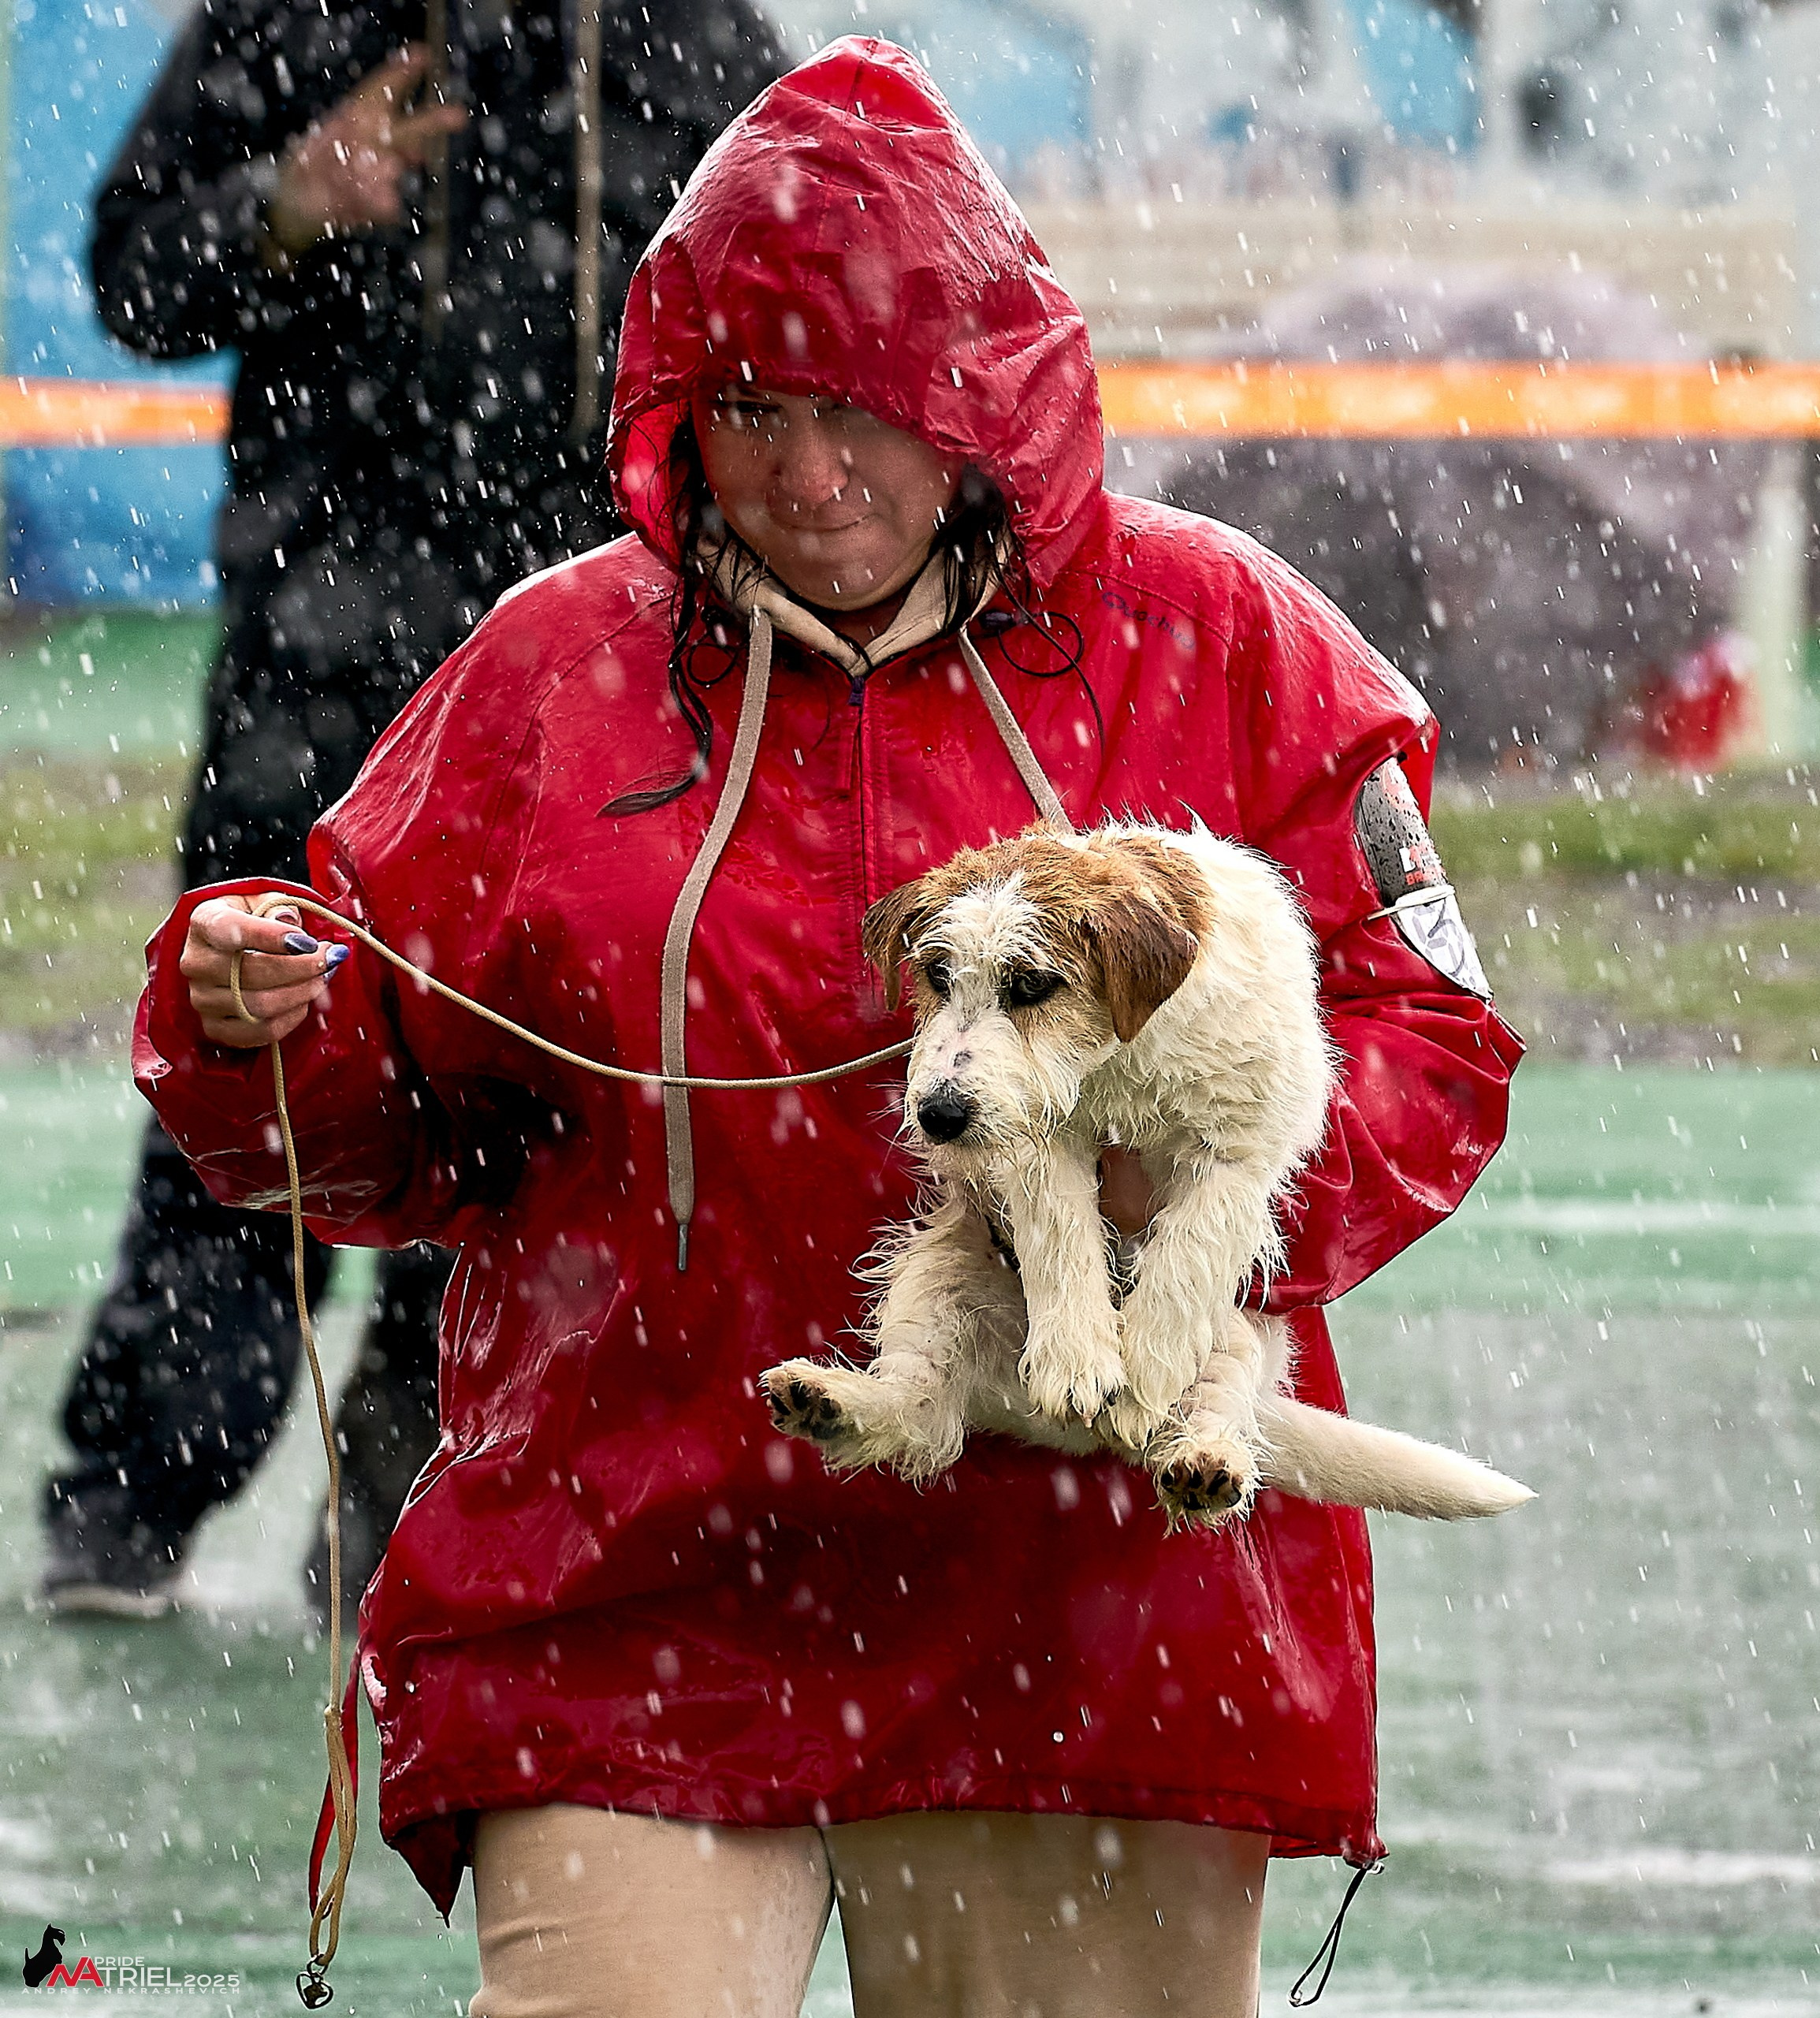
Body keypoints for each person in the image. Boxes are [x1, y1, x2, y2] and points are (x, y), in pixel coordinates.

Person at [138, 39, 1521, 2015]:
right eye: (752, 406)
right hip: (638, 1567)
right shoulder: (552, 673)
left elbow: (1433, 1032)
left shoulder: (1224, 643)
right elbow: (376, 1112)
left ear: (989, 399)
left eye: (867, 405)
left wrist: (1175, 1208)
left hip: (1090, 1592)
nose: (805, 470)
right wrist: (258, 1014)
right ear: (674, 411)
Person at [44, 0, 780, 1617]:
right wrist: (286, 206)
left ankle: (419, 1499)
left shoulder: (700, 36)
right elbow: (130, 270)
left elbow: (821, 287)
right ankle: (138, 1494)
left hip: (592, 673)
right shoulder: (296, 16)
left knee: (534, 1087)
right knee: (251, 1051)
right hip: (315, 656)